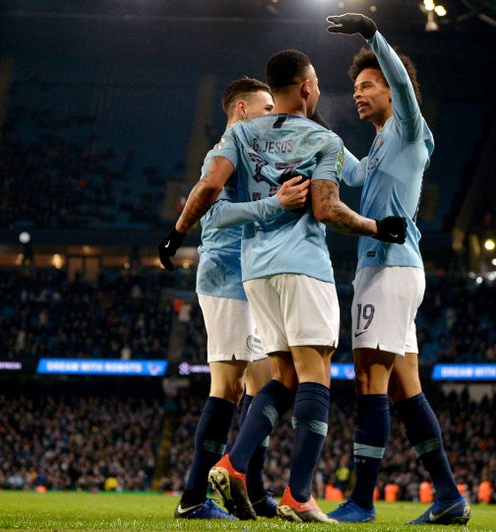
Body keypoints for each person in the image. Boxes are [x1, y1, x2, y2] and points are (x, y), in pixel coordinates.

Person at [158, 49, 405, 523]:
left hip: (253, 272)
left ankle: (245, 479)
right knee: (308, 373)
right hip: (295, 267)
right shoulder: (321, 138)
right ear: (309, 88)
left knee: (278, 377)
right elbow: (328, 207)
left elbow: (209, 187)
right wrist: (377, 226)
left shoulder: (242, 137)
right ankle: (284, 490)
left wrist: (176, 232)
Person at [322, 13, 469, 525]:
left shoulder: (408, 128)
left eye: (366, 86)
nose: (358, 94)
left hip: (389, 269)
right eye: (356, 88)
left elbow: (405, 83)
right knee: (407, 390)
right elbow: (356, 172)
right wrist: (313, 134)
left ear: (388, 87)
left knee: (369, 378)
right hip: (389, 270)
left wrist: (372, 35)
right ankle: (449, 496)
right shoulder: (384, 141)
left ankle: (362, 501)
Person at [173, 78, 310, 520]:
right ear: (241, 110)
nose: (273, 113)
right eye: (266, 106)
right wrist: (277, 204)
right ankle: (194, 498)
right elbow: (214, 213)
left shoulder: (250, 153)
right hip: (226, 274)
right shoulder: (226, 148)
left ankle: (250, 490)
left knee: (262, 383)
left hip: (246, 275)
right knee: (229, 387)